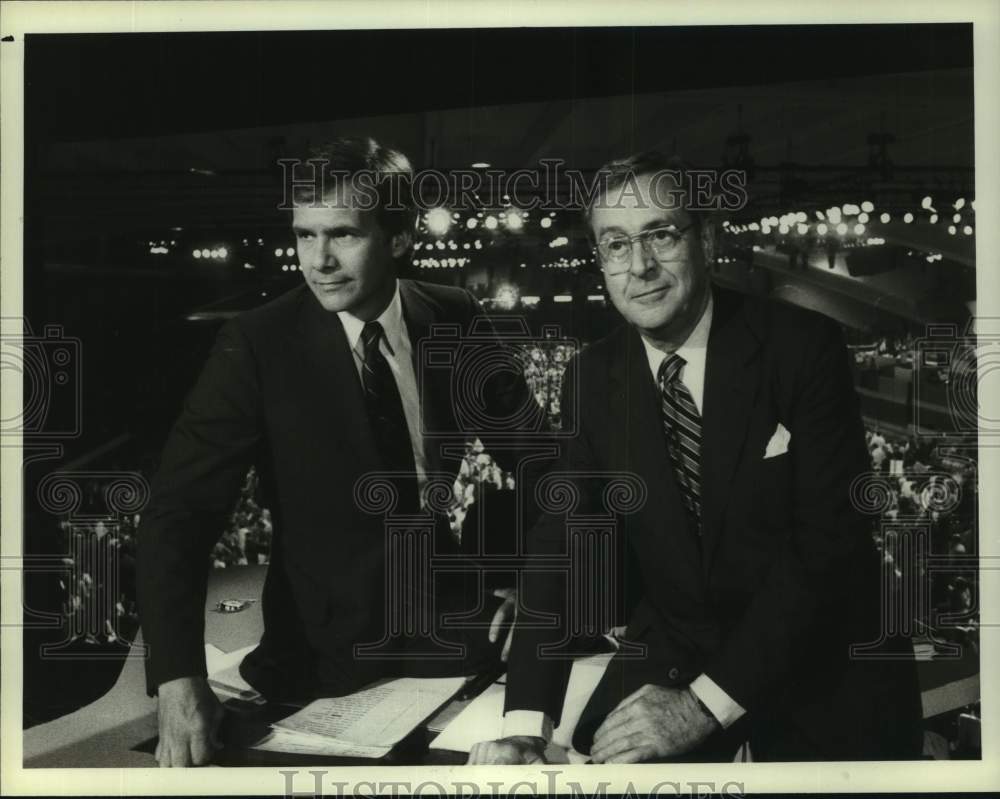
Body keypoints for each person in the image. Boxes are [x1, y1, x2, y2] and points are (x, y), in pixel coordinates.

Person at [469, 151, 921, 764]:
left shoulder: (802, 347)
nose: (642, 266)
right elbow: (563, 542)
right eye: (617, 245)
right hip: (677, 654)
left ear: (705, 237)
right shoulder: (591, 378)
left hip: (825, 663)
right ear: (601, 261)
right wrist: (525, 721)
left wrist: (703, 705)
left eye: (660, 234)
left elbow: (826, 546)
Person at [137, 136, 546, 766]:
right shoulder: (255, 345)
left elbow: (544, 464)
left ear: (401, 237)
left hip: (455, 632)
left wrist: (532, 581)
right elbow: (178, 515)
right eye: (305, 235)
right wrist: (176, 678)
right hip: (320, 658)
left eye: (343, 235)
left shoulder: (454, 315)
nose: (318, 260)